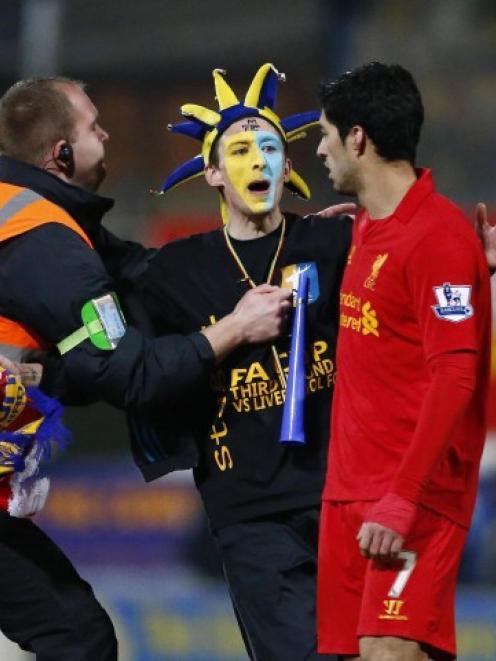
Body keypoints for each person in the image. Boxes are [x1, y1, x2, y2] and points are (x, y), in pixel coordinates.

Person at [0, 76, 290, 659]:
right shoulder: (44, 244)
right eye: (94, 127)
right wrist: (234, 328)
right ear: (62, 154)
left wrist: (296, 241)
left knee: (74, 632)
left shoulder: (24, 210)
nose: (106, 136)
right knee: (76, 638)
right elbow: (131, 375)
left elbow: (143, 273)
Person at [131, 63, 351, 661]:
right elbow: (136, 368)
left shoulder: (338, 244)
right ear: (211, 173)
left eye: (272, 147)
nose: (259, 161)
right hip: (251, 513)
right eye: (240, 149)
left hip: (347, 498)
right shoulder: (172, 272)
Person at [316, 62, 491, 661]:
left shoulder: (439, 236)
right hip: (349, 497)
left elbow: (457, 375)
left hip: (408, 500)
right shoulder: (369, 227)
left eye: (324, 134)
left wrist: (403, 497)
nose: (319, 150)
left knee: (389, 653)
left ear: (357, 138)